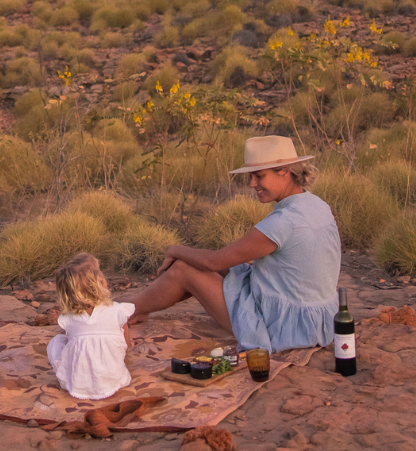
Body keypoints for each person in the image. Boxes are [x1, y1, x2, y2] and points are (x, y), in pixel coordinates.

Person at [129, 136, 340, 352]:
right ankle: (140, 308)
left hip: (284, 328)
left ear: (285, 171)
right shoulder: (317, 205)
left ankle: (126, 311)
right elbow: (223, 261)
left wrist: (174, 250)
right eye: (251, 177)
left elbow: (212, 262)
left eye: (259, 176)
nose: (252, 184)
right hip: (319, 320)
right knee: (226, 268)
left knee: (184, 269)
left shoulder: (282, 223)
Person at [47, 253, 137, 399]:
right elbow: (125, 344)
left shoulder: (68, 317)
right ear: (100, 284)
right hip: (117, 380)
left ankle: (80, 376)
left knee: (57, 341)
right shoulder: (117, 310)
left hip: (75, 385)